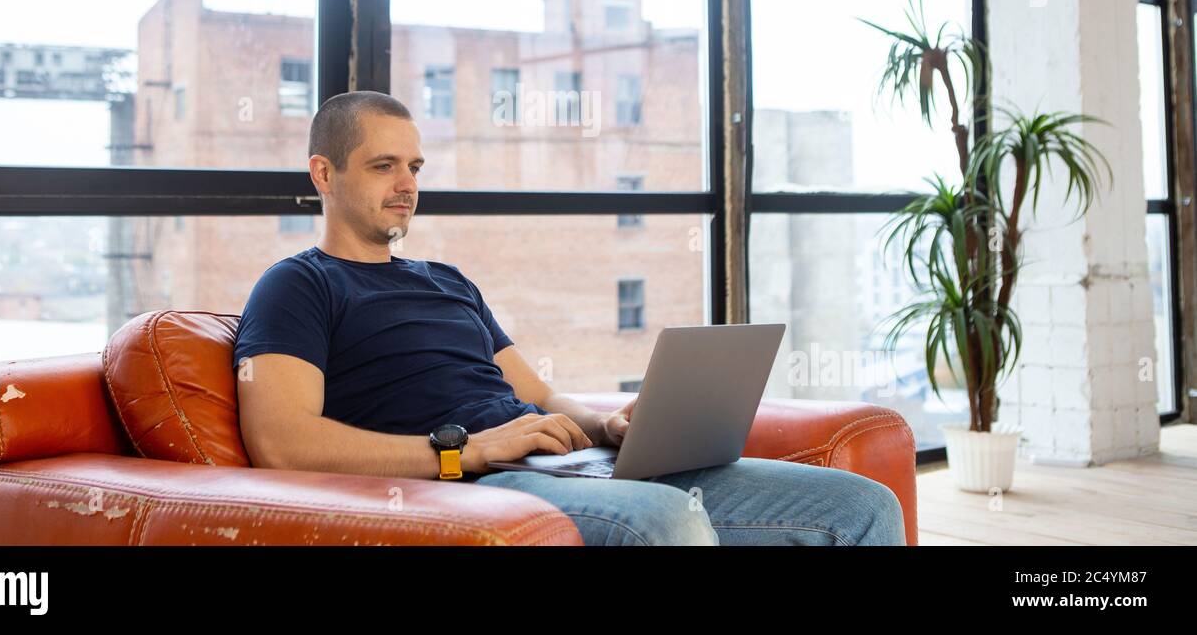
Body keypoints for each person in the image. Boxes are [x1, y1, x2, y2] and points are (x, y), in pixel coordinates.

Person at [232, 90, 906, 546]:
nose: (407, 184)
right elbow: (282, 443)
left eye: (413, 165)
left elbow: (541, 396)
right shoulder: (296, 286)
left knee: (863, 505)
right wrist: (465, 451)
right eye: (384, 166)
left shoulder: (447, 282)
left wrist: (607, 424)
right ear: (324, 174)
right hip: (475, 484)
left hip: (568, 464)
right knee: (668, 522)